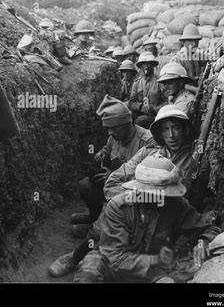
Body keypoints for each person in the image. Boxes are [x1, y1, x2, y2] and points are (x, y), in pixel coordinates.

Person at [48, 95, 155, 278]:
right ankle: (93, 219)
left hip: (137, 195)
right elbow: (108, 150)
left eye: (113, 128)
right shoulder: (114, 137)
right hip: (113, 186)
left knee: (104, 226)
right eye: (107, 129)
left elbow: (147, 177)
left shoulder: (147, 142)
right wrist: (101, 156)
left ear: (126, 123)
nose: (109, 133)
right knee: (85, 186)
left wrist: (113, 178)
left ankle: (76, 256)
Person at [73, 154, 221, 283]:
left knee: (184, 273)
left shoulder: (176, 205)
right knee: (90, 268)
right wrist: (157, 260)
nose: (158, 198)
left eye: (163, 194)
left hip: (152, 274)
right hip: (114, 267)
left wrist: (202, 242)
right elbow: (115, 258)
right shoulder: (118, 207)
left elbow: (207, 227)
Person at [128, 52, 166, 128]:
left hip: (155, 115)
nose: (147, 66)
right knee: (128, 117)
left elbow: (166, 101)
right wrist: (140, 107)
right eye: (144, 64)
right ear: (141, 66)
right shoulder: (137, 83)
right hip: (140, 112)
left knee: (140, 121)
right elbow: (131, 102)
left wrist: (155, 109)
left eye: (150, 64)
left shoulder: (159, 82)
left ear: (153, 66)